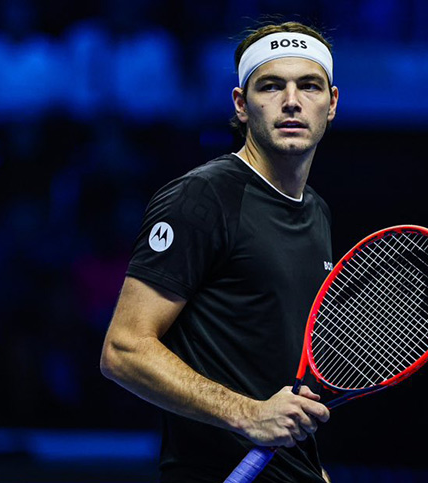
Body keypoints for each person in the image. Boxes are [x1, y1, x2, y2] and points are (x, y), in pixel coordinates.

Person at [101, 21, 339, 482]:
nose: (291, 101)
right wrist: (249, 415)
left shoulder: (318, 211)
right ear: (241, 105)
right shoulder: (201, 198)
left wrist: (312, 469)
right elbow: (124, 349)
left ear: (331, 104)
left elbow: (278, 373)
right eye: (271, 86)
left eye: (308, 86)